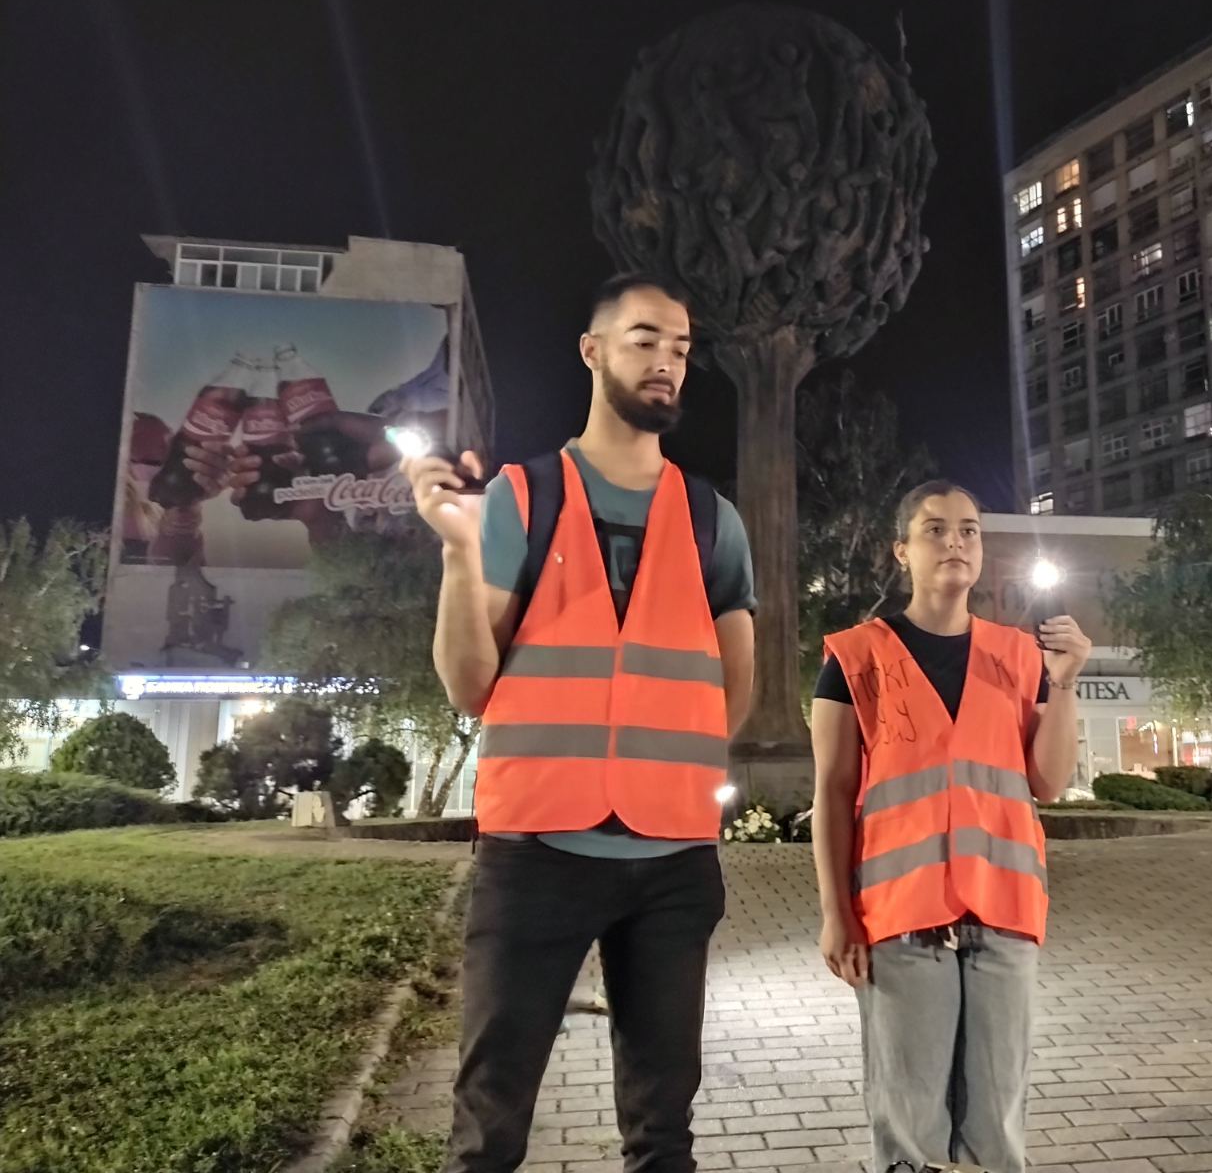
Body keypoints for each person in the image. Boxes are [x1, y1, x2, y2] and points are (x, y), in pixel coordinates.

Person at [403, 273, 757, 1173]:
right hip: (535, 853)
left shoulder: (714, 522)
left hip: (673, 859)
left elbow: (735, 697)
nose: (667, 361)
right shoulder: (523, 498)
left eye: (680, 346)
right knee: (488, 1132)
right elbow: (471, 685)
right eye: (644, 339)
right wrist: (458, 553)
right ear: (592, 351)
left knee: (663, 1134)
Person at [809, 480, 1091, 1173]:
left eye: (968, 529)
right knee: (909, 1131)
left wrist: (1067, 682)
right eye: (935, 529)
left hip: (1004, 917)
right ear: (901, 551)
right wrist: (835, 915)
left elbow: (1047, 783)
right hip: (902, 921)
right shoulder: (855, 658)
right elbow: (834, 791)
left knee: (997, 1130)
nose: (955, 542)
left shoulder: (1022, 656)